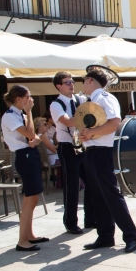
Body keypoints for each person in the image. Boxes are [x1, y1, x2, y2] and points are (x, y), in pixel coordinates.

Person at [79, 68, 136, 254]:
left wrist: (90, 133)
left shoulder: (105, 98)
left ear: (90, 80)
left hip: (103, 152)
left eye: (83, 80)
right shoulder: (93, 100)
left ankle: (130, 236)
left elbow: (114, 123)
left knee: (111, 195)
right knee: (98, 196)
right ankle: (105, 236)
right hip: (92, 151)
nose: (81, 84)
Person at [0, 86, 49, 252]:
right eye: (28, 97)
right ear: (18, 99)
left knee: (33, 198)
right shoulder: (10, 116)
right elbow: (29, 133)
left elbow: (32, 135)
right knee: (30, 198)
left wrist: (34, 139)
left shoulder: (18, 114)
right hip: (23, 155)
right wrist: (29, 113)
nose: (31, 100)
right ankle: (22, 240)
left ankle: (29, 234)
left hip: (29, 153)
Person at [49, 72, 90, 234]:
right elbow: (67, 121)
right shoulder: (56, 104)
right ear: (59, 86)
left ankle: (90, 218)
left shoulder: (80, 100)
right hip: (67, 146)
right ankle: (70, 222)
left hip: (82, 144)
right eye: (67, 82)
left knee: (91, 182)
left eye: (72, 81)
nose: (71, 84)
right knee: (72, 186)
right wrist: (88, 114)